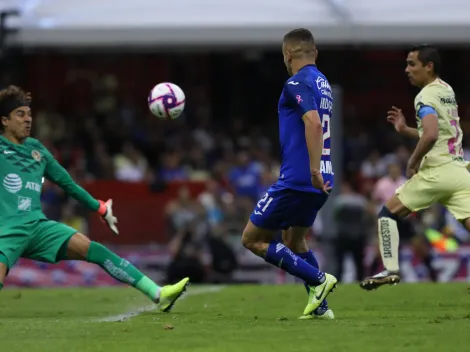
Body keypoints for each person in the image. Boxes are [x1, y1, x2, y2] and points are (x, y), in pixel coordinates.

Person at [0, 85, 188, 312]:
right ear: (4, 121)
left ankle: (158, 293)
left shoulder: (36, 150)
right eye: (20, 114)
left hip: (38, 227)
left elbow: (67, 184)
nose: (28, 119)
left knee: (95, 250)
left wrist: (99, 208)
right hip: (7, 230)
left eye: (29, 114)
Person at [241, 28, 337, 319]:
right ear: (315, 53)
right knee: (294, 240)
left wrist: (311, 169)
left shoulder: (296, 82)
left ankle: (320, 280)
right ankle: (320, 308)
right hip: (323, 178)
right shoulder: (324, 84)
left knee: (251, 239)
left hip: (300, 178)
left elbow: (313, 123)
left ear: (287, 54)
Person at [360, 45, 470, 290]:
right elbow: (439, 132)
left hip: (436, 172)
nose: (407, 69)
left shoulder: (424, 96)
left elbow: (430, 135)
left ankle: (389, 269)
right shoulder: (446, 90)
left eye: (412, 64)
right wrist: (405, 129)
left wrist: (412, 161)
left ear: (428, 66)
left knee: (387, 214)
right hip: (459, 172)